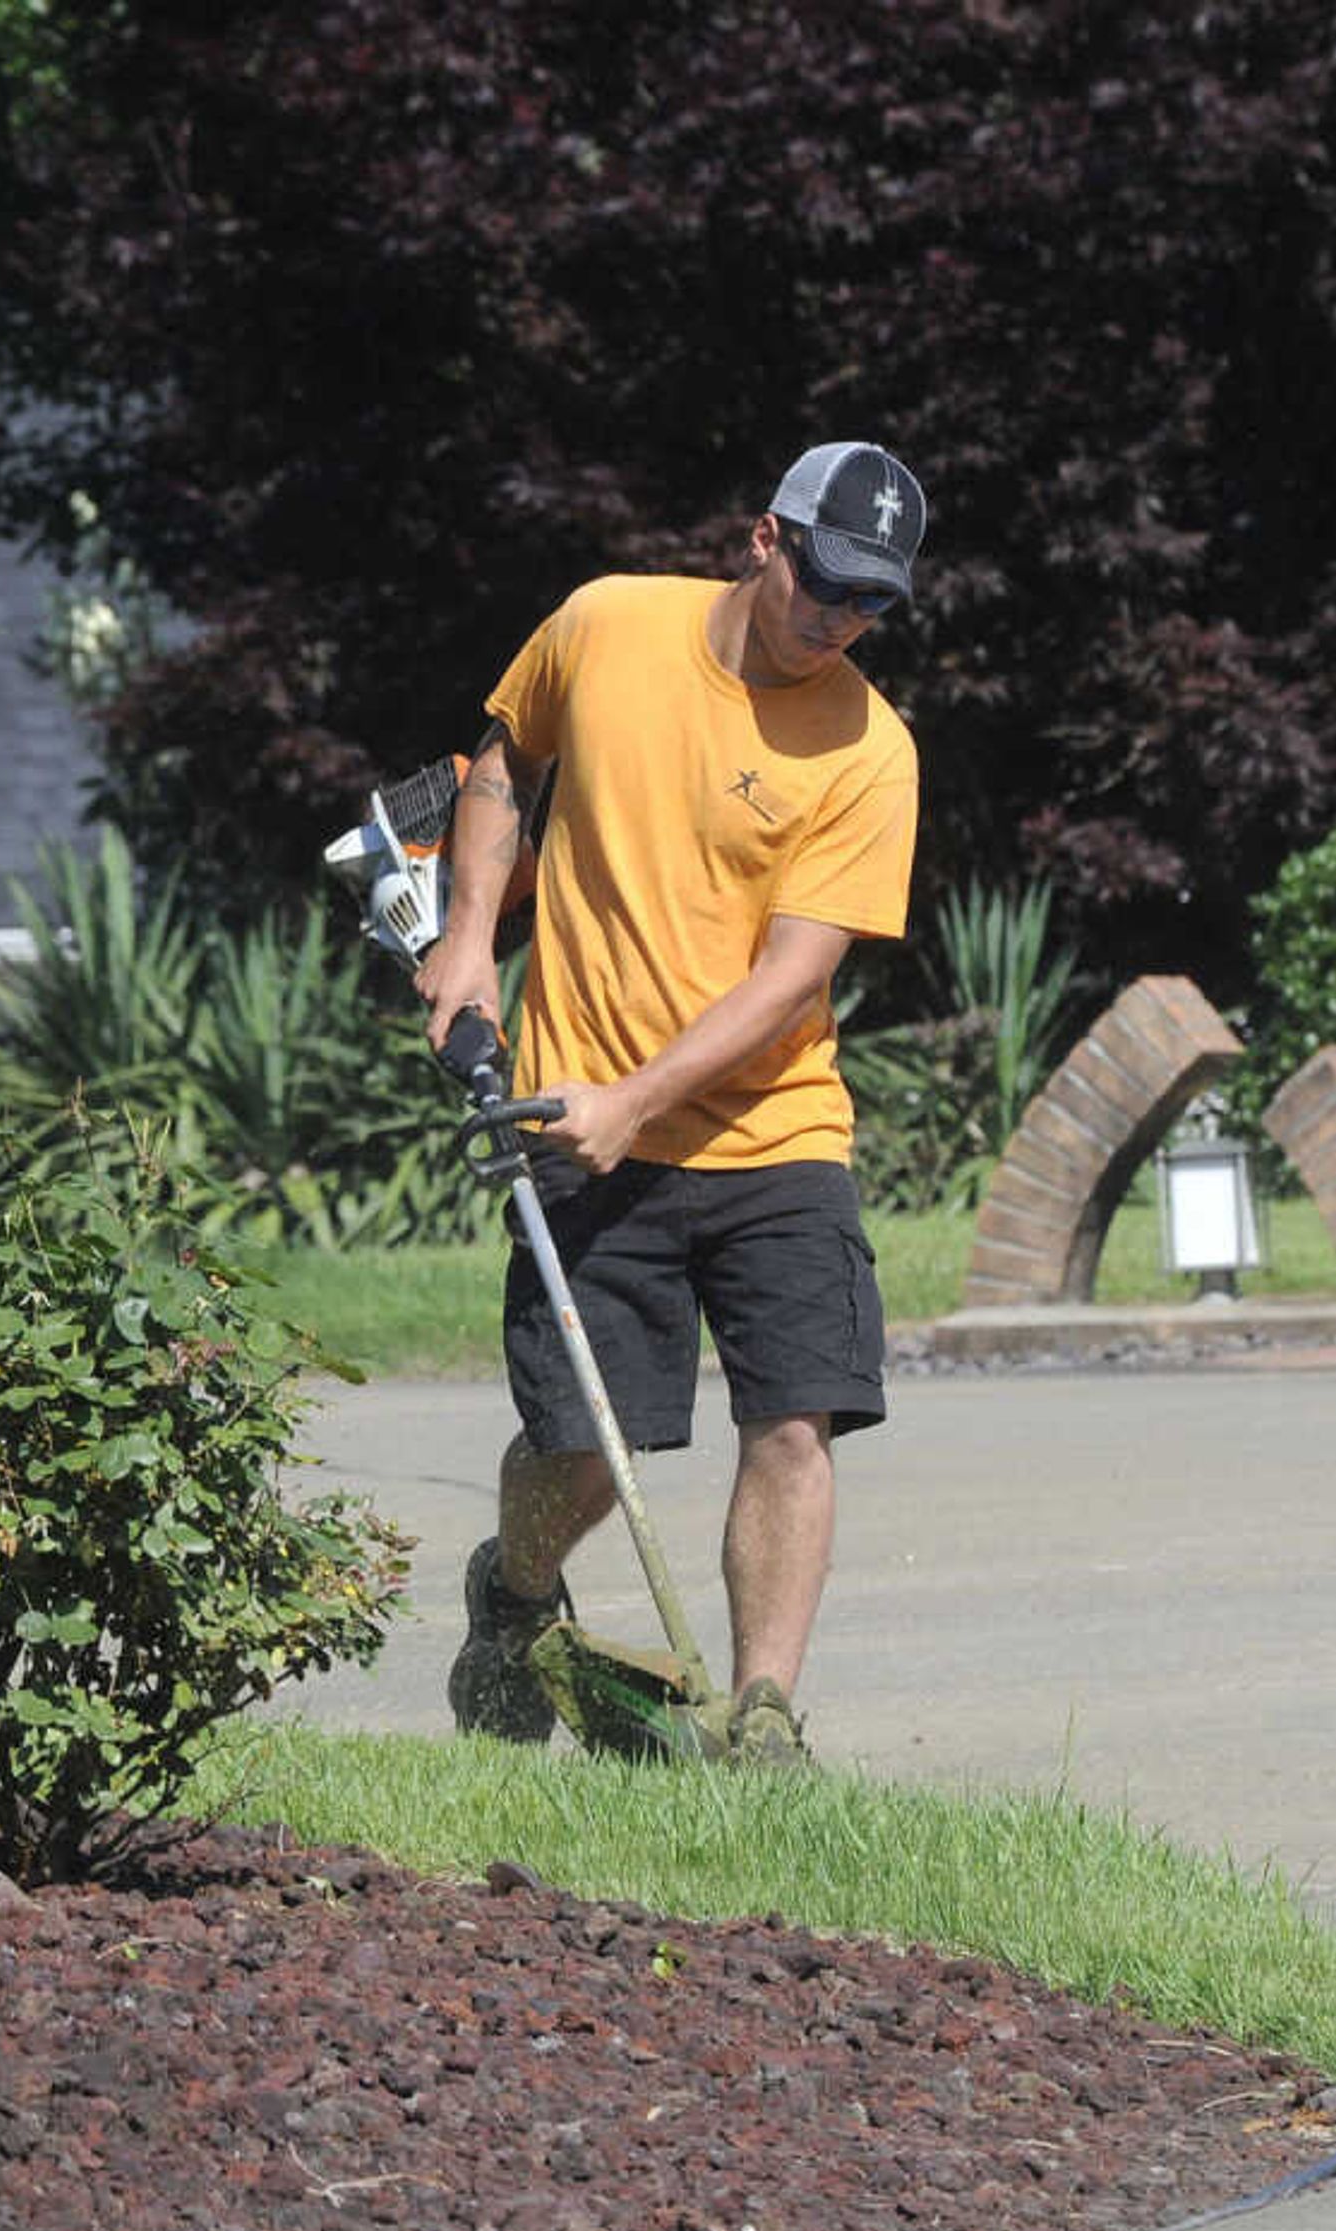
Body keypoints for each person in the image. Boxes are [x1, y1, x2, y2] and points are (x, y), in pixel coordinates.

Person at [409, 441, 928, 1767]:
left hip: (774, 1132)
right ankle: (515, 1592)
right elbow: (501, 761)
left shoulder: (872, 750)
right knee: (587, 1450)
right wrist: (471, 935)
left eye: (869, 601)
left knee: (797, 1415)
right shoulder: (604, 626)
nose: (837, 619)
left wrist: (639, 1098)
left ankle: (760, 1720)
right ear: (765, 539)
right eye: (822, 581)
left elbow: (794, 972)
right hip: (575, 1114)